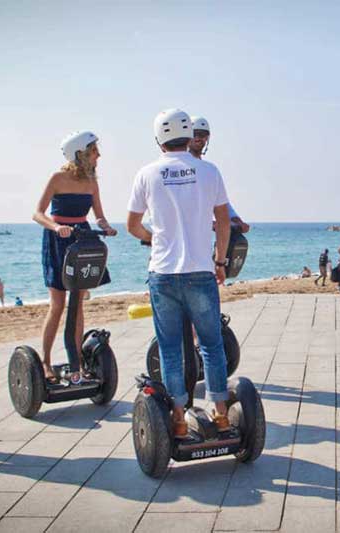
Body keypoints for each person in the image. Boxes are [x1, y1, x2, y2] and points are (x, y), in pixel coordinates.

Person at [127, 108, 232, 438]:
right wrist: (220, 261)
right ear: (188, 137)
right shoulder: (209, 170)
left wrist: (152, 237)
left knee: (170, 349)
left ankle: (177, 418)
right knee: (212, 346)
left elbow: (132, 225)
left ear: (159, 138)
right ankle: (221, 413)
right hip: (201, 271)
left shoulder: (146, 174)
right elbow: (224, 221)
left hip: (163, 274)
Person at [33, 130, 117, 384]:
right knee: (58, 304)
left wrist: (106, 226)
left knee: (78, 303)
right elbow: (37, 213)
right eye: (94, 151)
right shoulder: (57, 178)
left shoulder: (92, 182)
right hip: (58, 240)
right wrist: (56, 227)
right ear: (80, 153)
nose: (98, 155)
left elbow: (98, 215)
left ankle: (76, 361)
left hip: (82, 240)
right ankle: (46, 361)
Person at [189, 116, 251, 233]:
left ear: (207, 138)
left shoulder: (209, 170)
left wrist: (236, 219)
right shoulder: (179, 168)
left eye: (202, 134)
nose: (197, 138)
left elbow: (219, 200)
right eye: (194, 134)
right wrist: (209, 222)